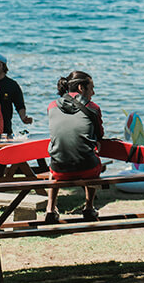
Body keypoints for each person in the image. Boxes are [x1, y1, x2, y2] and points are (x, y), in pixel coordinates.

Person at [45, 71, 104, 223]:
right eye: (91, 88)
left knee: (53, 165)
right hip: (88, 169)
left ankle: (50, 209)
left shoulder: (51, 106)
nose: (93, 92)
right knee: (94, 159)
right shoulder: (93, 108)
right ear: (80, 88)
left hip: (59, 170)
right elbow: (100, 136)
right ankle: (89, 207)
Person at [0, 53, 32, 136]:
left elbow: (20, 105)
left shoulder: (12, 85)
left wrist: (23, 118)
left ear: (4, 66)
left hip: (5, 129)